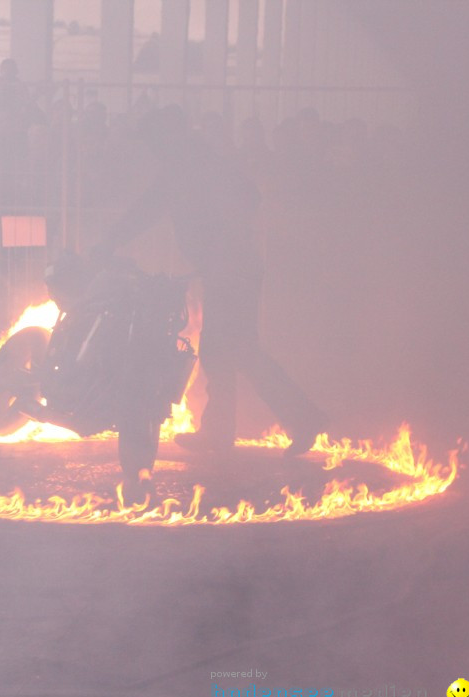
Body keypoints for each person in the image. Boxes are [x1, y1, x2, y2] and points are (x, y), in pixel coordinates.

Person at [94, 105, 325, 457]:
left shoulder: (195, 166)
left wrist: (224, 247)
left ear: (166, 139)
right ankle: (221, 433)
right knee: (223, 351)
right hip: (228, 268)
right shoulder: (188, 164)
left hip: (232, 269)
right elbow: (148, 209)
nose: (153, 151)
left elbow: (243, 197)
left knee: (239, 350)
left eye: (154, 142)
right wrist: (109, 241)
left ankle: (303, 418)